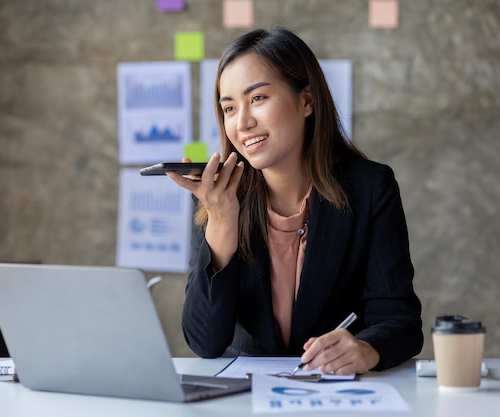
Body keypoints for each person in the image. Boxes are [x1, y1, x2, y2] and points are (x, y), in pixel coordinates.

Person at [166, 27, 423, 375]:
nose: (242, 122)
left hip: (338, 393)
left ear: (307, 101)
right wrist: (222, 221)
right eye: (229, 108)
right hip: (244, 397)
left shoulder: (370, 188)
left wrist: (366, 349)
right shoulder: (217, 197)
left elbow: (400, 320)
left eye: (257, 99)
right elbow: (205, 342)